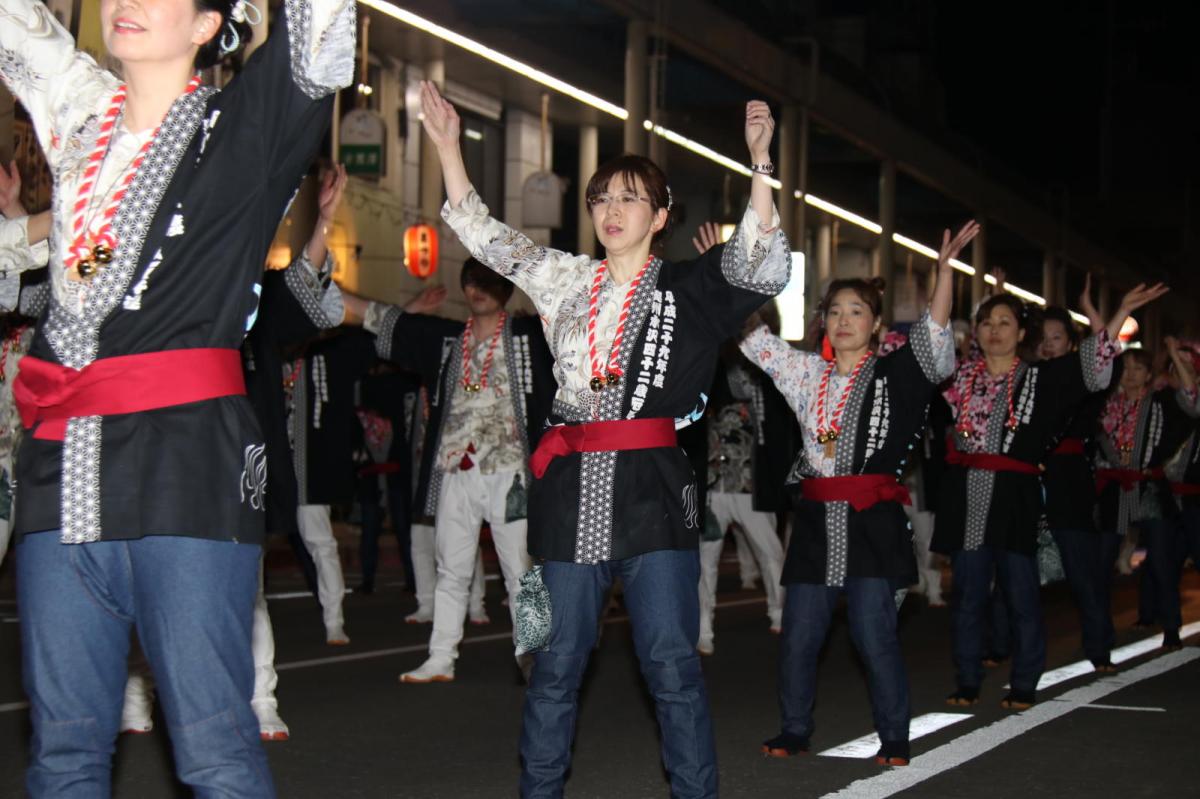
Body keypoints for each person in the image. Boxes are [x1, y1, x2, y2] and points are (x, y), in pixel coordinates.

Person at [0, 0, 354, 793]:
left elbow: (322, 25)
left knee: (214, 746)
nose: (127, 4)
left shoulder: (243, 125)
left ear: (206, 26)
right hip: (63, 464)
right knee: (61, 751)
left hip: (188, 460)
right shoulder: (78, 109)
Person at [420, 80, 790, 798]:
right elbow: (488, 236)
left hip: (655, 488)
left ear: (660, 216)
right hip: (567, 489)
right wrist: (444, 145)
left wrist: (760, 165)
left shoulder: (690, 288)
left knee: (670, 662)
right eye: (602, 198)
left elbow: (759, 260)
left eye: (629, 198)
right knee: (553, 661)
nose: (612, 210)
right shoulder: (564, 278)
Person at [742, 221, 973, 766]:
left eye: (857, 312)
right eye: (836, 311)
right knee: (799, 636)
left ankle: (894, 736)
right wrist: (735, 280)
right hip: (817, 523)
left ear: (875, 326)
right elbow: (753, 339)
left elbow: (936, 334)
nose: (844, 321)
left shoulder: (899, 374)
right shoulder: (804, 373)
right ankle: (795, 728)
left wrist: (943, 275)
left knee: (875, 637)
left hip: (873, 522)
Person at [934, 282, 1162, 710]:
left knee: (1021, 591)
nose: (995, 330)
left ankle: (1024, 681)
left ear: (1023, 334)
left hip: (1017, 495)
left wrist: (1120, 311)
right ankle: (967, 679)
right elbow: (932, 345)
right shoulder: (960, 376)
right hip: (968, 496)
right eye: (987, 322)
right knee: (968, 595)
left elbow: (1094, 367)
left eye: (1005, 323)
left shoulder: (1042, 377)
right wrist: (946, 275)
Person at [363, 258, 554, 682]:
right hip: (455, 467)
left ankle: (538, 661)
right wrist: (314, 278)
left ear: (505, 289)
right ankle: (440, 657)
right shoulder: (448, 338)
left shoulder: (530, 336)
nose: (477, 289)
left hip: (511, 474)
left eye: (487, 282)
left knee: (522, 573)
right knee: (451, 567)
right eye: (470, 281)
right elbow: (380, 319)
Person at [690, 222, 796, 655]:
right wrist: (717, 272)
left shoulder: (769, 368)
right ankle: (703, 630)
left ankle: (780, 613)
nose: (743, 327)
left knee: (771, 552)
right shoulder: (710, 359)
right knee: (706, 560)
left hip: (753, 478)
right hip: (714, 478)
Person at [1094, 339, 1198, 650]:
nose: (1131, 374)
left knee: (1162, 562)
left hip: (1150, 485)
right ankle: (1099, 633)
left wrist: (1175, 359)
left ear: (1150, 374)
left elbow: (1193, 401)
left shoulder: (1162, 402)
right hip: (1114, 487)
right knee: (1101, 563)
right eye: (1125, 368)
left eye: (1139, 368)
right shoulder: (1106, 403)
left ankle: (1170, 627)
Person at [1036, 287, 1116, 670]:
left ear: (1072, 343)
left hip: (1069, 482)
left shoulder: (1085, 378)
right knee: (1015, 573)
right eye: (1042, 339)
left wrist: (1090, 309)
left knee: (1083, 572)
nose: (1049, 346)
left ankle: (1099, 648)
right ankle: (1000, 648)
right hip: (1028, 481)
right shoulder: (1026, 377)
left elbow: (1104, 353)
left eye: (1057, 338)